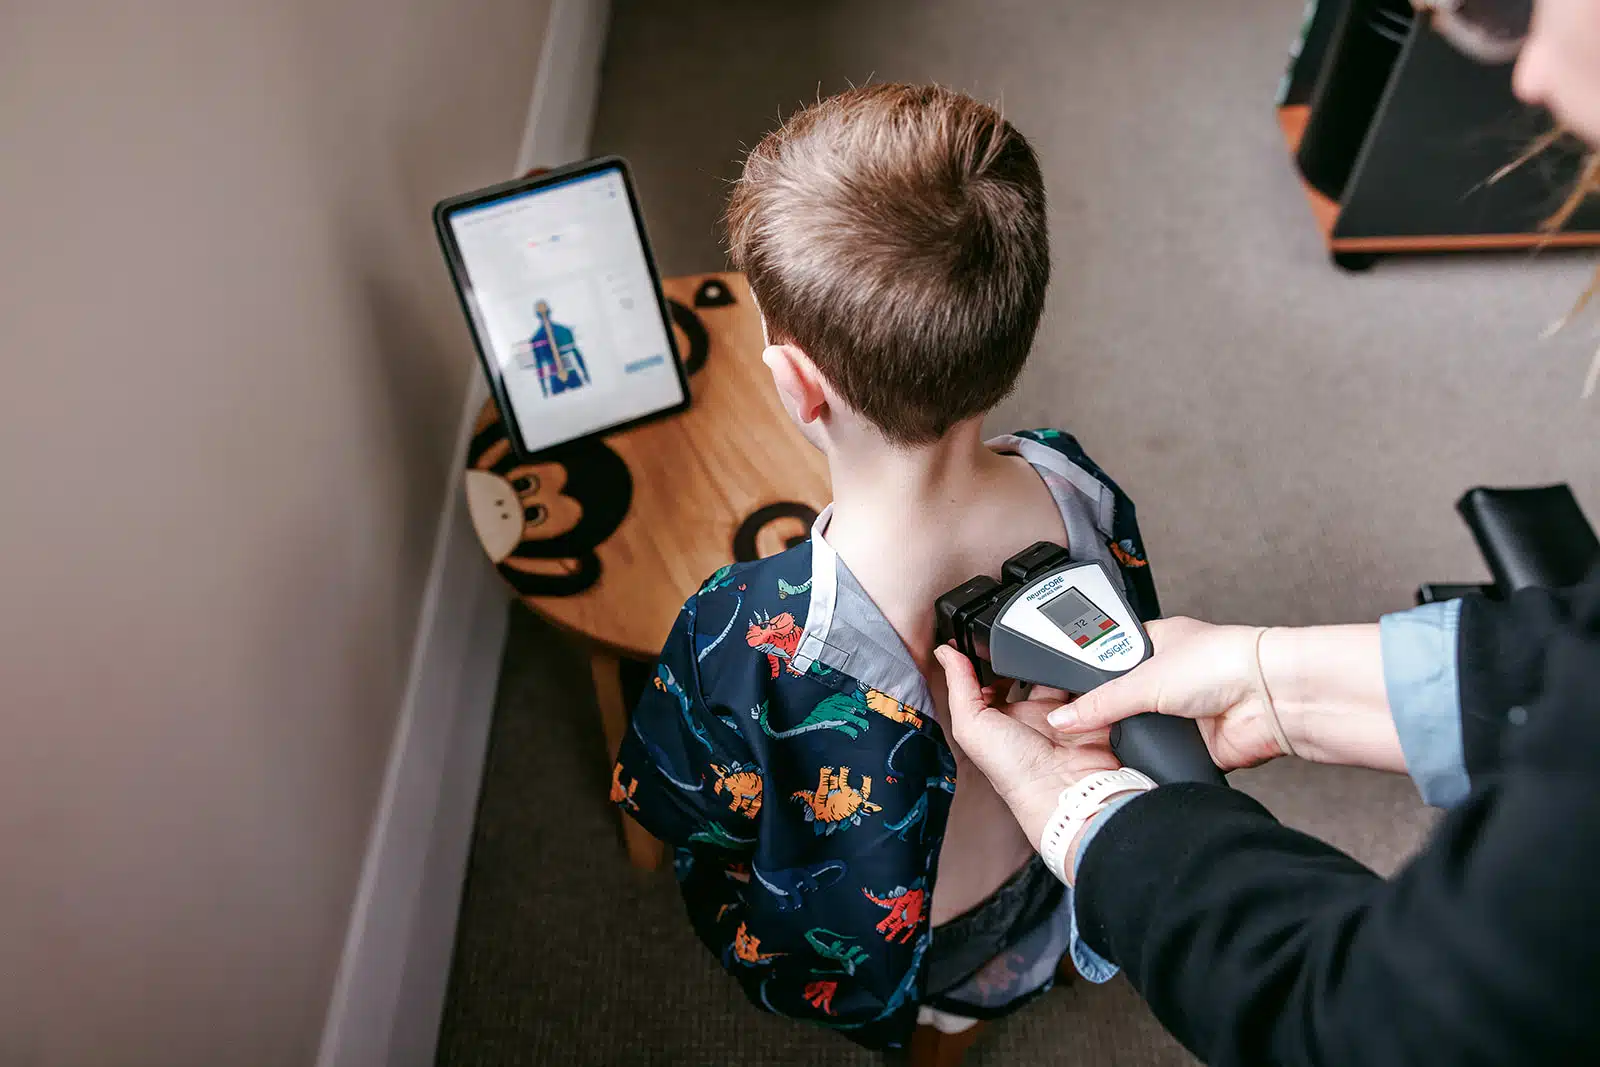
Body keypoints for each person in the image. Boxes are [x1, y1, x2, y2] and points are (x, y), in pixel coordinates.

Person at [933, 1, 1600, 1062]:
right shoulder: (1070, 476)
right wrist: (1271, 674)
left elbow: (1380, 1028)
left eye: (1510, 8)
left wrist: (1088, 818)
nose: (1523, 81)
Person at [611, 83, 1158, 1052]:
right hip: (1057, 858)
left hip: (896, 942)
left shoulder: (744, 625)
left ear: (795, 385)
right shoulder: (1078, 487)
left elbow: (680, 801)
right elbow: (1134, 651)